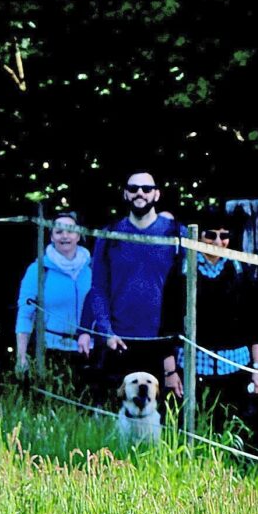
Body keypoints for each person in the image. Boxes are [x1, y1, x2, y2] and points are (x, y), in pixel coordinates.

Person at [157, 223, 258, 442]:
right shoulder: (181, 271)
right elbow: (166, 324)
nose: (218, 242)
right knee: (192, 432)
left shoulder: (241, 270)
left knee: (234, 434)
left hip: (235, 370)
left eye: (224, 235)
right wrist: (170, 373)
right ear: (199, 237)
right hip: (192, 368)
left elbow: (256, 323)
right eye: (211, 235)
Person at [79, 170, 185, 399]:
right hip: (118, 341)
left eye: (147, 189)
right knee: (114, 420)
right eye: (133, 188)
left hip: (162, 343)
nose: (140, 193)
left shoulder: (177, 234)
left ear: (156, 194)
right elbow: (98, 288)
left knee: (162, 424)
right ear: (125, 194)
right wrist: (106, 332)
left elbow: (189, 290)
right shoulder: (110, 234)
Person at [15, 214, 91, 375]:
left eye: (70, 231)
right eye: (58, 231)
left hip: (90, 351)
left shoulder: (93, 269)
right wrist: (21, 356)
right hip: (50, 352)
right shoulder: (38, 270)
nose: (65, 236)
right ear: (51, 237)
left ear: (79, 235)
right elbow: (25, 314)